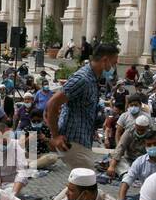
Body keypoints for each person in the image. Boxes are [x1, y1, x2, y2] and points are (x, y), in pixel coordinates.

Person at [45, 43, 119, 171]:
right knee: (87, 183)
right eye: (114, 63)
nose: (114, 67)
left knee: (79, 186)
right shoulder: (82, 79)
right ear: (105, 60)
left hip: (82, 140)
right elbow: (52, 103)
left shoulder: (93, 78)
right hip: (72, 141)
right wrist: (55, 136)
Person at [118, 131, 156, 200]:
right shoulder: (140, 161)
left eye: (155, 144)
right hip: (145, 197)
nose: (152, 147)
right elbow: (127, 181)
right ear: (145, 146)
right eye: (149, 145)